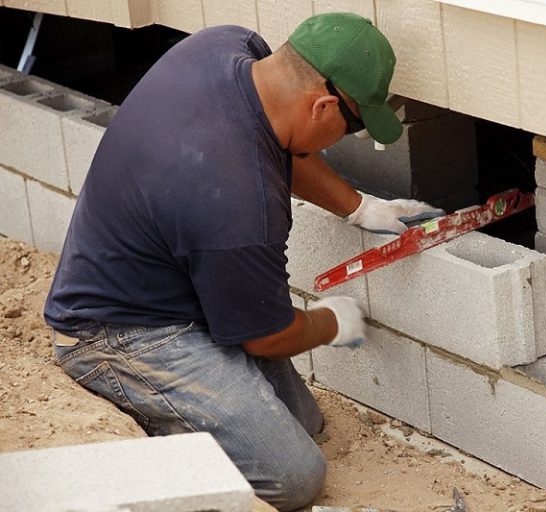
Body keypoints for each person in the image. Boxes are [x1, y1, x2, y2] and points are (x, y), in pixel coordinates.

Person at [44, 13, 442, 511]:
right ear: (323, 105)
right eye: (354, 125)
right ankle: (140, 430)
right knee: (293, 476)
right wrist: (332, 323)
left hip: (172, 280)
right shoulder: (239, 203)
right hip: (118, 333)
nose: (348, 136)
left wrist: (360, 208)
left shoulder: (224, 48)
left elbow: (282, 147)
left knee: (304, 423)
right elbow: (267, 335)